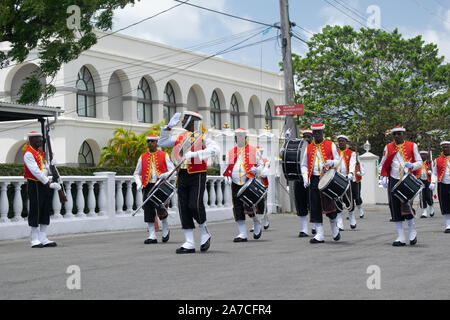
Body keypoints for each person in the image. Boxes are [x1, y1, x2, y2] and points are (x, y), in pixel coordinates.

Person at [158, 111, 220, 254]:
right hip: (182, 175)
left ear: (194, 120)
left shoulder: (202, 136)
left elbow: (215, 150)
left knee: (194, 204)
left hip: (197, 175)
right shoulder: (180, 136)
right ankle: (189, 242)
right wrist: (168, 128)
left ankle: (204, 232)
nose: (183, 120)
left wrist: (197, 154)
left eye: (186, 118)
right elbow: (162, 142)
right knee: (183, 207)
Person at [379, 126, 422, 247]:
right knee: (394, 207)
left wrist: (412, 165)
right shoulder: (388, 147)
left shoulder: (412, 146)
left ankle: (412, 230)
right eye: (395, 134)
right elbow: (383, 164)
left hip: (406, 179)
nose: (397, 136)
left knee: (407, 206)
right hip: (393, 179)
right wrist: (383, 177)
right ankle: (401, 237)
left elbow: (419, 162)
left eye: (399, 134)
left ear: (403, 135)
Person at [223, 128, 268, 242]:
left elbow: (261, 165)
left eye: (241, 137)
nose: (239, 139)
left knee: (252, 206)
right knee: (237, 207)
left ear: (245, 138)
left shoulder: (253, 151)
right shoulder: (231, 152)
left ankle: (257, 224)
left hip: (249, 182)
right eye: (237, 137)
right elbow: (225, 167)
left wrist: (256, 170)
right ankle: (242, 233)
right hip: (235, 183)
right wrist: (226, 177)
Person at [301, 123, 341, 244]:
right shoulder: (308, 148)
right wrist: (305, 178)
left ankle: (334, 229)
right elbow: (303, 165)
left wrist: (332, 162)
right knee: (315, 206)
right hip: (313, 179)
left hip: (327, 179)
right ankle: (319, 234)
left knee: (330, 206)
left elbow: (338, 161)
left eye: (319, 132)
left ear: (323, 133)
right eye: (315, 133)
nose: (317, 135)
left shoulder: (331, 145)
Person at [134, 134, 175, 244]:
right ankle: (152, 235)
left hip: (160, 185)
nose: (150, 143)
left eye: (152, 141)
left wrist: (164, 175)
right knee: (148, 209)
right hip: (147, 186)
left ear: (157, 142)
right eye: (148, 142)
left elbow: (172, 170)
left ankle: (165, 228)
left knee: (162, 207)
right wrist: (138, 183)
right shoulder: (142, 157)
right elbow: (136, 173)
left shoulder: (164, 155)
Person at [23, 131, 61, 248]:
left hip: (43, 184)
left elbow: (43, 169)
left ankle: (43, 237)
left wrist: (51, 166)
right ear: (31, 140)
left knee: (45, 209)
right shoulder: (28, 154)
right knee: (36, 209)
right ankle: (34, 238)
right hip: (35, 184)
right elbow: (35, 172)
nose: (40, 140)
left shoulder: (40, 153)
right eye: (38, 138)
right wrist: (49, 183)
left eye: (40, 138)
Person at [335, 135, 357, 230]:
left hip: (346, 178)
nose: (341, 143)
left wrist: (351, 173)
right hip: (336, 178)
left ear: (346, 142)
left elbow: (352, 164)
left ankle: (351, 216)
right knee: (337, 198)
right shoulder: (335, 152)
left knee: (348, 199)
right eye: (339, 141)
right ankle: (339, 221)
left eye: (342, 141)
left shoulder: (351, 153)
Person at [429, 141, 450, 233]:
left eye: (447, 147)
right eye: (444, 147)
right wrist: (433, 182)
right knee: (445, 204)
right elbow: (434, 173)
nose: (445, 149)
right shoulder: (437, 160)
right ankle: (448, 224)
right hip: (443, 184)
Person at [418, 151, 435, 218]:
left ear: (427, 155)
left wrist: (431, 172)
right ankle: (424, 211)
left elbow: (435, 171)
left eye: (424, 155)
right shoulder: (418, 163)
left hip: (428, 181)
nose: (423, 156)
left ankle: (431, 206)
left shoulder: (430, 163)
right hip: (420, 180)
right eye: (421, 154)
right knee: (422, 196)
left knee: (428, 196)